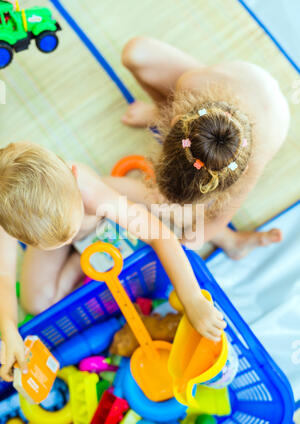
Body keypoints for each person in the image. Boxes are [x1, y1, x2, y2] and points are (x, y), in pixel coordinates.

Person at [0, 141, 226, 381]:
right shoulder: (7, 212)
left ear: (72, 176)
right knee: (36, 303)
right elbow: (4, 275)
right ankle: (81, 254)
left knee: (173, 209)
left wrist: (192, 299)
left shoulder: (85, 188)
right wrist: (9, 329)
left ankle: (228, 236)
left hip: (103, 204)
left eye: (69, 232)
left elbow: (157, 234)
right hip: (75, 232)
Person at [117, 37, 290, 258]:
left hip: (261, 112)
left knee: (186, 218)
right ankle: (157, 112)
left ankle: (233, 243)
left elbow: (219, 219)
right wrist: (161, 110)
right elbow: (176, 105)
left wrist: (189, 242)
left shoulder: (250, 163)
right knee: (135, 52)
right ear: (175, 121)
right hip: (222, 87)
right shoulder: (191, 84)